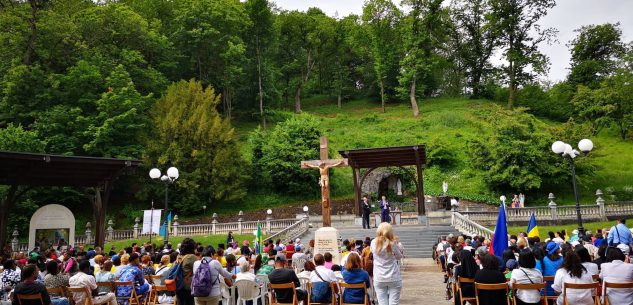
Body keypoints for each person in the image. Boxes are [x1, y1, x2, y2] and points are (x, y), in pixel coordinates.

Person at [371, 222, 403, 305]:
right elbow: (399, 256)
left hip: (379, 276)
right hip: (393, 276)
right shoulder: (393, 243)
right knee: (394, 302)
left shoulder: (373, 242)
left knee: (382, 302)